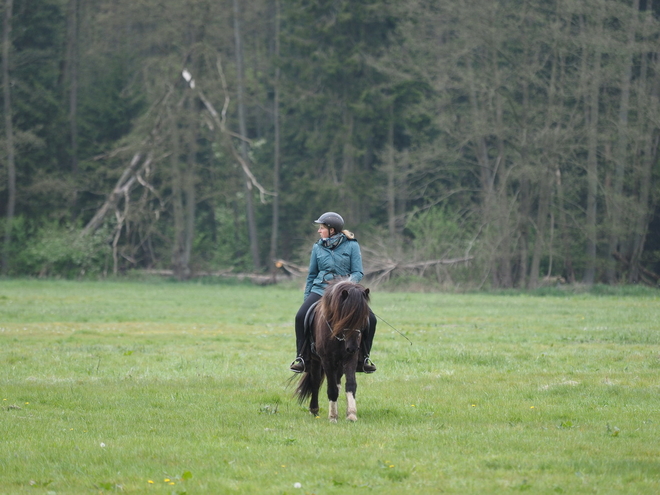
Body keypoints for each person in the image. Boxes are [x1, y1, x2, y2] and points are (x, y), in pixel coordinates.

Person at [290, 212, 377, 373]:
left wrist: (346, 284)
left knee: (371, 319)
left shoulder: (352, 245)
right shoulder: (317, 247)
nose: (319, 231)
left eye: (321, 228)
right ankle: (302, 357)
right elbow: (311, 274)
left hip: (345, 293)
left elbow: (358, 272)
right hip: (320, 289)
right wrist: (307, 297)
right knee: (301, 316)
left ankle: (364, 358)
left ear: (332, 230)